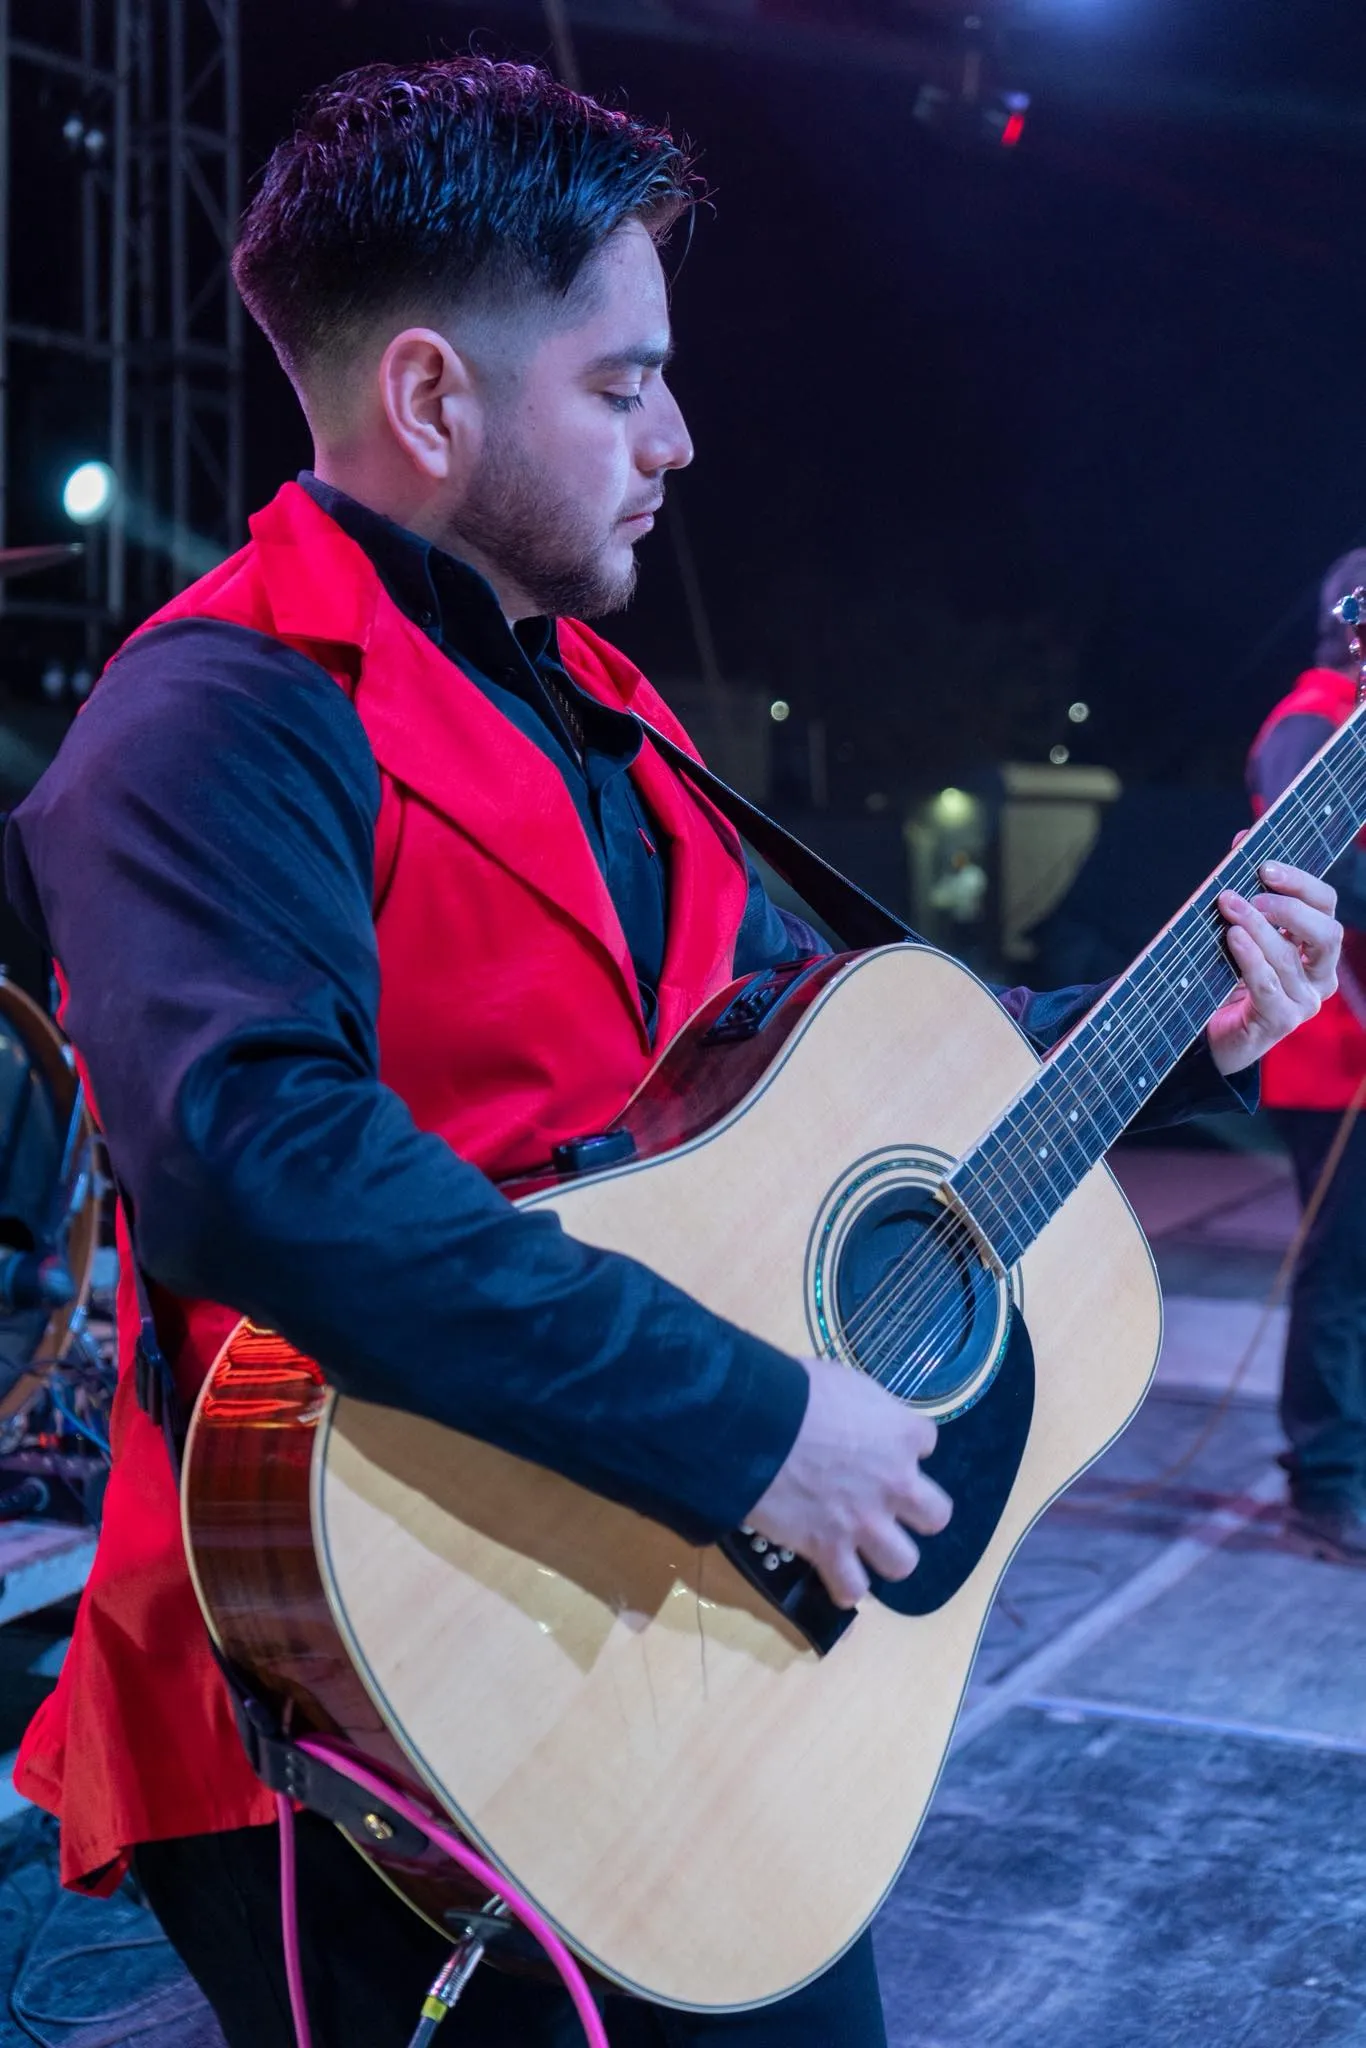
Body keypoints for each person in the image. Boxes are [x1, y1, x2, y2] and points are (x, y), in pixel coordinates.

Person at [3, 59, 1339, 2048]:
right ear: (433, 398)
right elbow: (261, 1164)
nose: (678, 437)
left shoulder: (609, 709)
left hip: (661, 1618)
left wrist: (1175, 1024)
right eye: (624, 383)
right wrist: (753, 1423)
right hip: (379, 1687)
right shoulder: (221, 710)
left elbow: (830, 1072)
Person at [1247, 547, 1366, 1564]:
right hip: (1330, 1051)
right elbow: (1303, 863)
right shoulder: (1312, 722)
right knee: (1342, 1270)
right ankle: (1325, 1485)